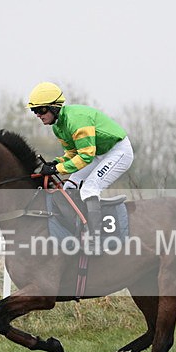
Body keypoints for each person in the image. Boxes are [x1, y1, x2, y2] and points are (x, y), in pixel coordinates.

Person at [27, 81, 133, 244]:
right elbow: (72, 153)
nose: (38, 115)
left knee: (90, 188)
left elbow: (85, 157)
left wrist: (57, 168)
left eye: (41, 110)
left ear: (54, 107)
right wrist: (55, 163)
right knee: (69, 187)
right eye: (34, 111)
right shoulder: (58, 127)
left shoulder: (76, 120)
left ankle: (95, 240)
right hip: (98, 153)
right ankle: (78, 231)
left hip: (118, 152)